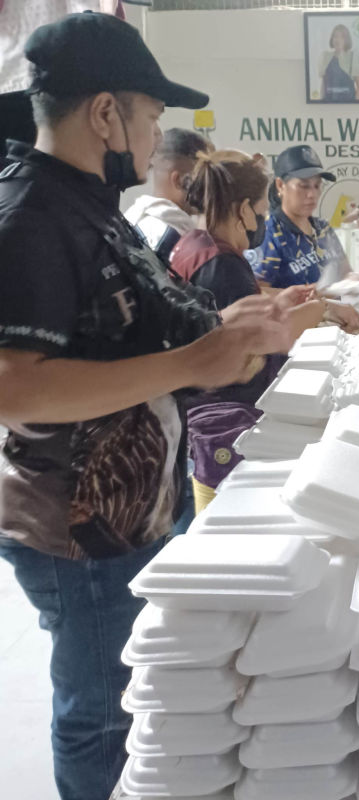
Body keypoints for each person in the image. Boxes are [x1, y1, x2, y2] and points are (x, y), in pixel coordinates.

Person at [0, 14, 290, 800]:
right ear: (105, 114)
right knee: (101, 714)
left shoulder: (92, 207)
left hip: (125, 511)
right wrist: (191, 361)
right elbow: (14, 384)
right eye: (150, 114)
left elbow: (138, 333)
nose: (157, 133)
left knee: (137, 696)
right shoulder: (31, 216)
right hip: (78, 527)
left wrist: (233, 328)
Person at [170, 149, 334, 510]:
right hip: (224, 429)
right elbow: (244, 351)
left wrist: (278, 302)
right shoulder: (222, 264)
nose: (263, 218)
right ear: (243, 209)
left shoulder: (196, 245)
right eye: (261, 210)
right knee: (222, 522)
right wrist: (318, 310)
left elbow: (224, 320)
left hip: (204, 425)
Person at [254, 145, 359, 327]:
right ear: (281, 185)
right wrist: (323, 305)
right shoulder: (269, 234)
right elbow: (256, 293)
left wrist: (355, 279)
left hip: (334, 331)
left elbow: (345, 271)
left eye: (317, 186)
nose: (312, 194)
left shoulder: (323, 229)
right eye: (303, 186)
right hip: (295, 339)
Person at [124, 127, 213, 263]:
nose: (208, 188)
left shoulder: (131, 220)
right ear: (178, 180)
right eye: (203, 178)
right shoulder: (174, 240)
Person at [319, 23, 359, 102]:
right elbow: (323, 84)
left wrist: (356, 107)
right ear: (332, 39)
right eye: (335, 36)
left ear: (347, 40)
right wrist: (320, 103)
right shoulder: (326, 56)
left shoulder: (354, 57)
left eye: (342, 37)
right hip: (328, 104)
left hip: (348, 104)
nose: (337, 40)